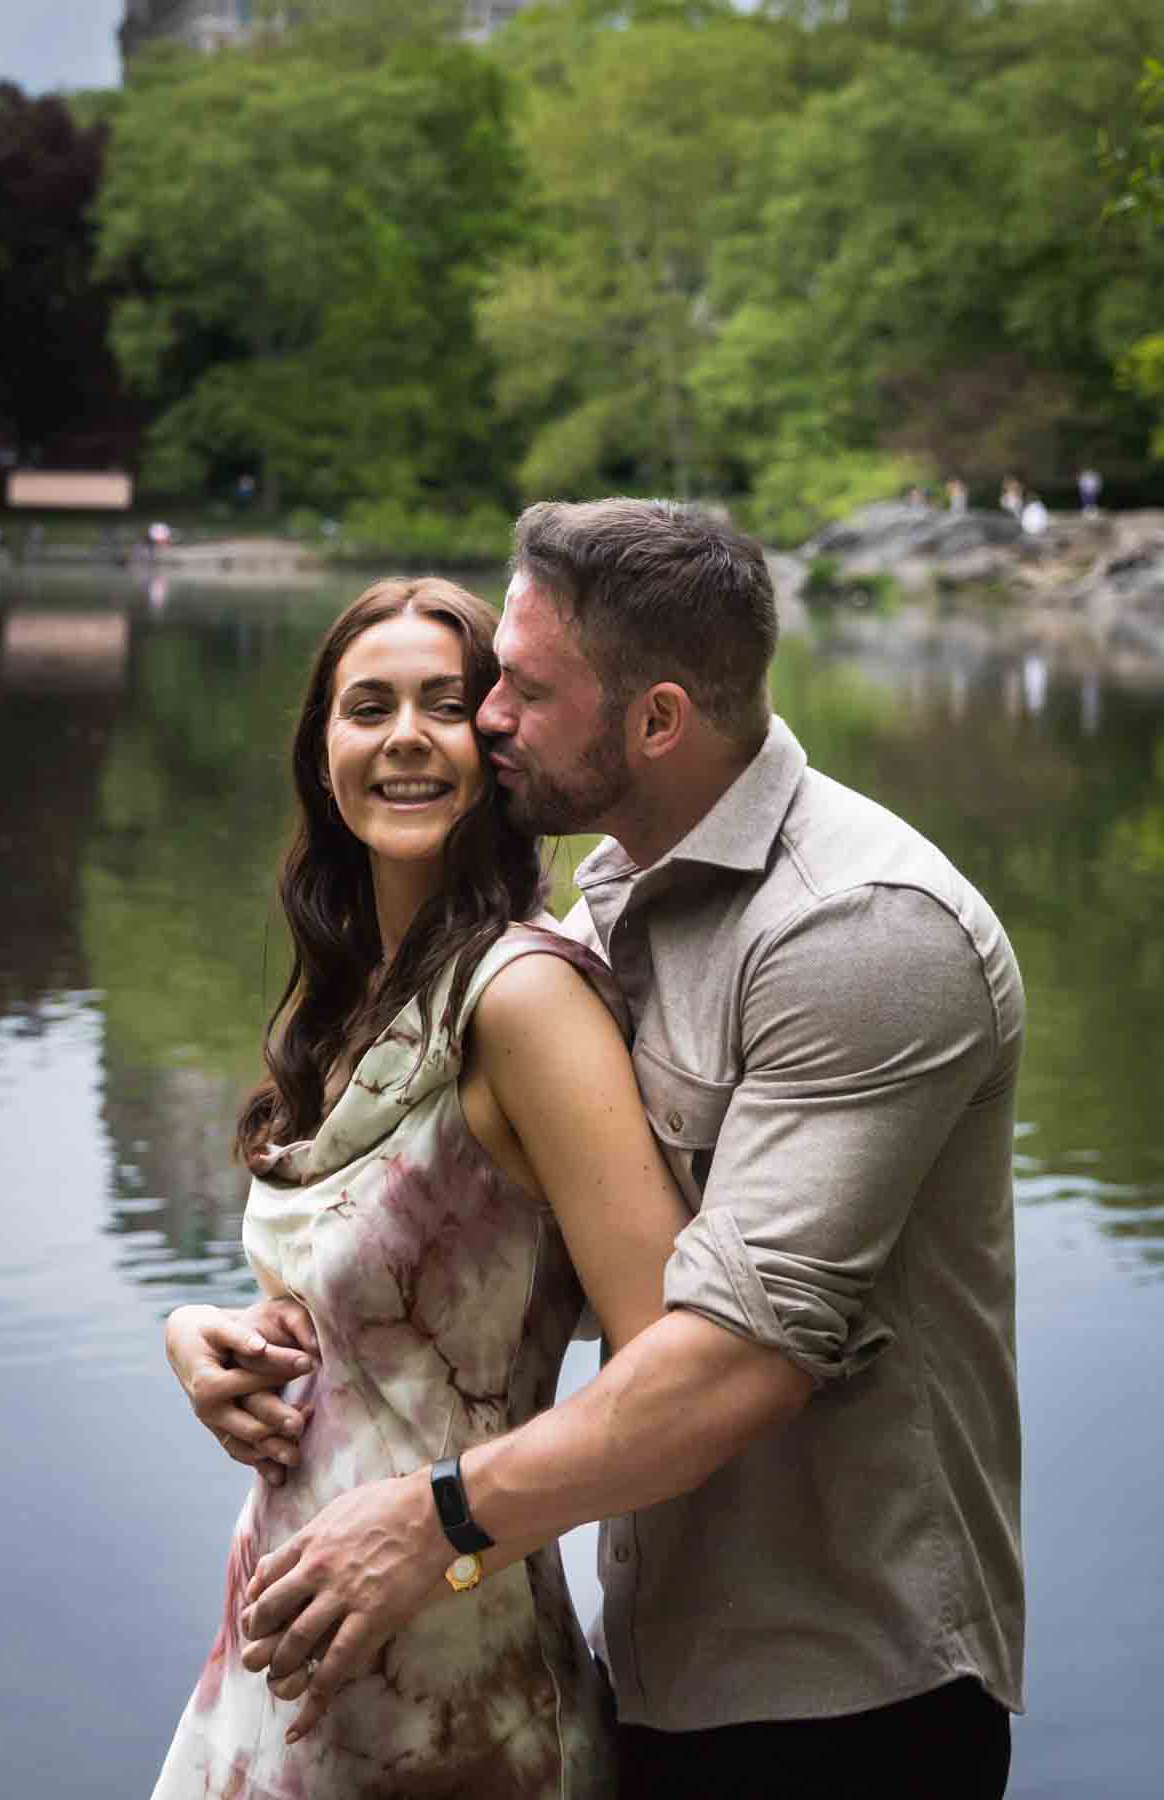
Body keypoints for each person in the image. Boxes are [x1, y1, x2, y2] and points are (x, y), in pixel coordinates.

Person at [239, 503, 1026, 1800]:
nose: (486, 721)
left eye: (520, 692)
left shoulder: (861, 934)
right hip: (654, 1666)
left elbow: (733, 1364)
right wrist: (245, 1338)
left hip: (851, 1697)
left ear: (657, 722)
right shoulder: (611, 901)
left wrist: (433, 1523)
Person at [153, 576, 688, 1798]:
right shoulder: (351, 993)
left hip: (457, 1683)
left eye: (447, 706)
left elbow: (666, 1364)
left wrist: (446, 1534)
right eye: (368, 706)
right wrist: (200, 1337)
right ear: (321, 751)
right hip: (293, 1653)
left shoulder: (525, 1000)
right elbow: (365, 1304)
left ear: (498, 744)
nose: (404, 737)